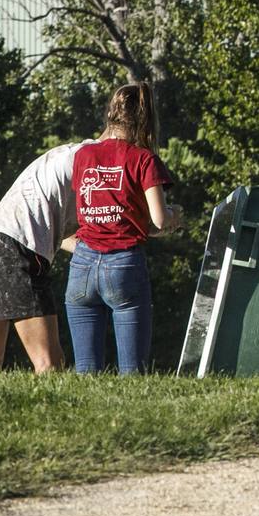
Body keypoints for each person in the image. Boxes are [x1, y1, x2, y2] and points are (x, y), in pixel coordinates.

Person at [66, 82, 183, 374]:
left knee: (86, 371)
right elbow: (157, 220)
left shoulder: (83, 156)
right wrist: (174, 216)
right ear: (146, 118)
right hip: (123, 264)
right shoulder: (143, 159)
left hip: (81, 264)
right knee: (133, 372)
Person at [0, 139, 85, 372]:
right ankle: (56, 410)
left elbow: (56, 234)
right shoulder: (96, 164)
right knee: (50, 363)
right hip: (14, 248)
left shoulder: (66, 155)